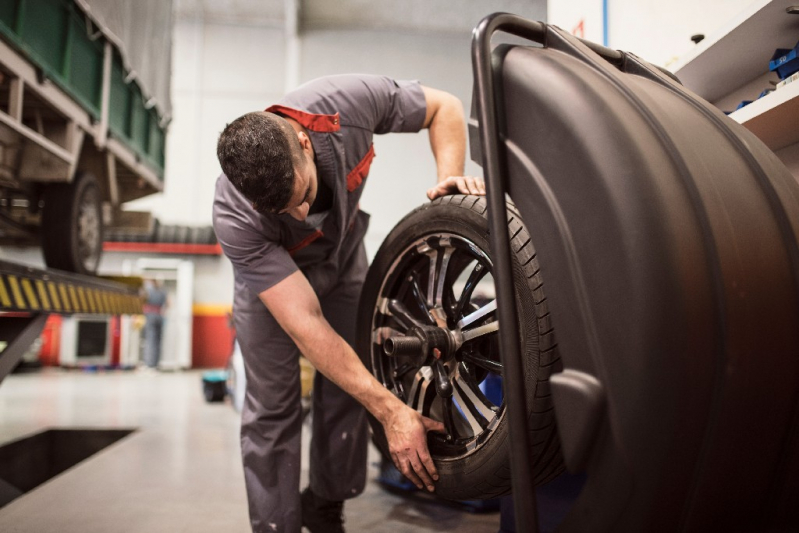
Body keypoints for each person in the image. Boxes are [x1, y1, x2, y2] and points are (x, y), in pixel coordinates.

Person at [212, 74, 485, 533]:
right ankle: (275, 524)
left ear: (303, 141)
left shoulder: (349, 104)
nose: (300, 215)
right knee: (272, 407)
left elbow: (445, 107)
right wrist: (393, 411)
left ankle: (325, 505)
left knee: (349, 384)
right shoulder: (234, 212)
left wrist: (448, 181)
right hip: (274, 288)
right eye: (282, 212)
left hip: (342, 260)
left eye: (301, 196)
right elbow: (306, 324)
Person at [141, 278, 167, 369]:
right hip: (159, 316)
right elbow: (168, 304)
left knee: (150, 340)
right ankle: (156, 364)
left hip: (150, 317)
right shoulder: (163, 291)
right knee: (158, 341)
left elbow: (142, 301)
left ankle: (149, 364)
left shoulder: (148, 291)